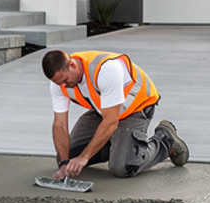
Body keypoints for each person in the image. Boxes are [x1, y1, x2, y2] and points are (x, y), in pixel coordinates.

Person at [42, 49, 188, 179]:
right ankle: (117, 146)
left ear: (72, 65)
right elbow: (59, 124)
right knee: (70, 158)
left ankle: (165, 140)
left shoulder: (106, 70)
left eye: (65, 81)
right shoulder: (58, 83)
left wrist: (85, 157)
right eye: (58, 83)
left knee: (123, 167)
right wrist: (64, 163)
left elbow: (111, 122)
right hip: (105, 110)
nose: (62, 86)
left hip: (135, 109)